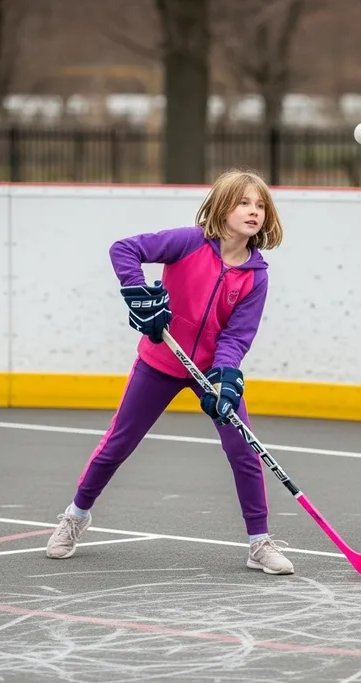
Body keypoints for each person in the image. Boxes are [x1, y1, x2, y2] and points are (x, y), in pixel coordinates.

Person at [45, 168, 294, 575]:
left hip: (209, 372)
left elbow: (237, 334)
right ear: (221, 206)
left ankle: (259, 543)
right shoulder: (189, 241)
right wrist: (139, 295)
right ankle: (75, 517)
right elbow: (123, 249)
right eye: (244, 202)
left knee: (243, 451)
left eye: (260, 205)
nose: (254, 211)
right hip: (160, 361)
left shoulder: (256, 276)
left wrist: (224, 377)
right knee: (118, 444)